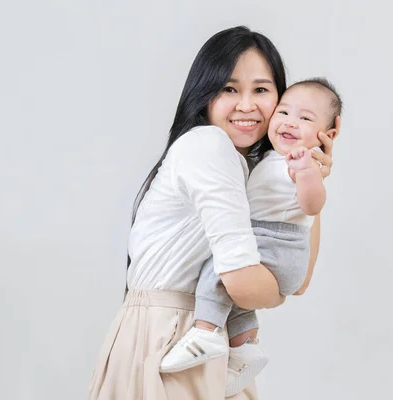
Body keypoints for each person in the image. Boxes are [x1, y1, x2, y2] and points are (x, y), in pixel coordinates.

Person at [88, 26, 339, 400]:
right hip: (171, 339)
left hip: (204, 339)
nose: (246, 105)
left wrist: (307, 175)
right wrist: (274, 294)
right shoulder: (210, 146)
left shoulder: (246, 170)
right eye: (229, 89)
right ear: (204, 93)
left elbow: (297, 278)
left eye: (261, 90)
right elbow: (244, 285)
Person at [159, 78, 343, 396]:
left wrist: (309, 173)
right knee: (236, 299)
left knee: (221, 265)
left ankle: (205, 332)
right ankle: (246, 347)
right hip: (270, 242)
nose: (289, 122)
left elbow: (313, 204)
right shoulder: (271, 159)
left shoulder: (300, 162)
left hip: (278, 243)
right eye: (284, 112)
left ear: (329, 132)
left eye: (305, 118)